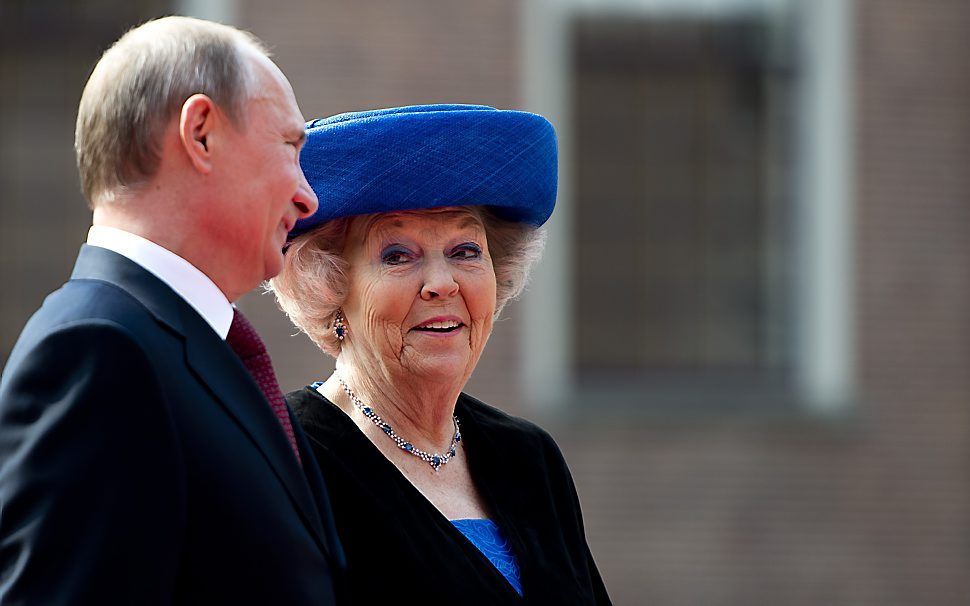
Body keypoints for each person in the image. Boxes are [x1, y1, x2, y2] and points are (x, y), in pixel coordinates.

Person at [0, 16, 344, 603]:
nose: (306, 196)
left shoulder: (177, 348)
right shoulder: (97, 352)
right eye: (290, 147)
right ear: (201, 133)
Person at [270, 104, 611, 604]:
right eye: (398, 255)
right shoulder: (286, 459)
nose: (441, 283)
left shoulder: (529, 459)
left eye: (465, 251)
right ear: (331, 285)